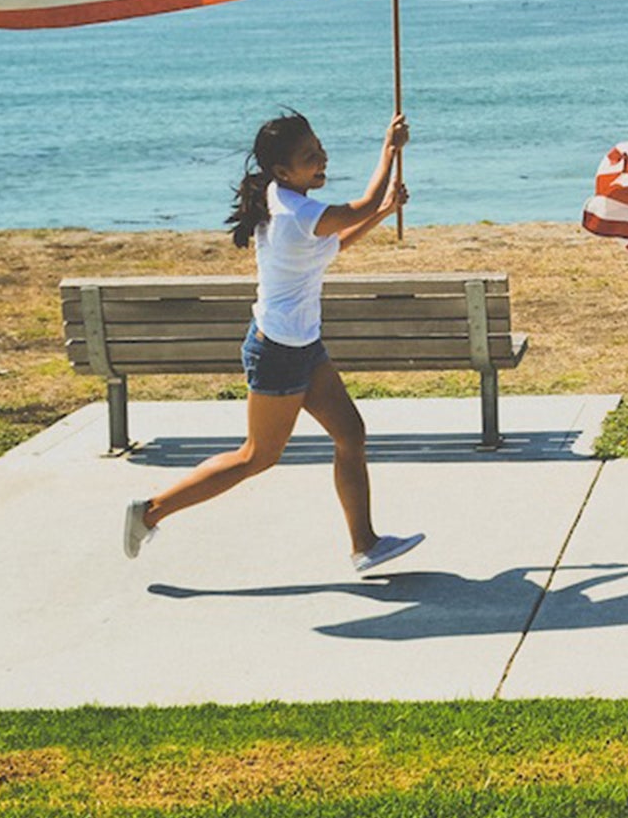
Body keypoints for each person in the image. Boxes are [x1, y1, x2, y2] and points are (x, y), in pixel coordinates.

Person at [121, 110, 424, 574]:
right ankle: (149, 512)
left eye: (319, 148)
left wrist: (383, 212)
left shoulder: (284, 198)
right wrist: (389, 150)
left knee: (350, 434)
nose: (321, 159)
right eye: (309, 157)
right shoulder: (295, 211)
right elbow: (359, 206)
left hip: (303, 345)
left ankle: (365, 544)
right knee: (256, 457)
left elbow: (336, 242)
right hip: (278, 352)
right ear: (283, 171)